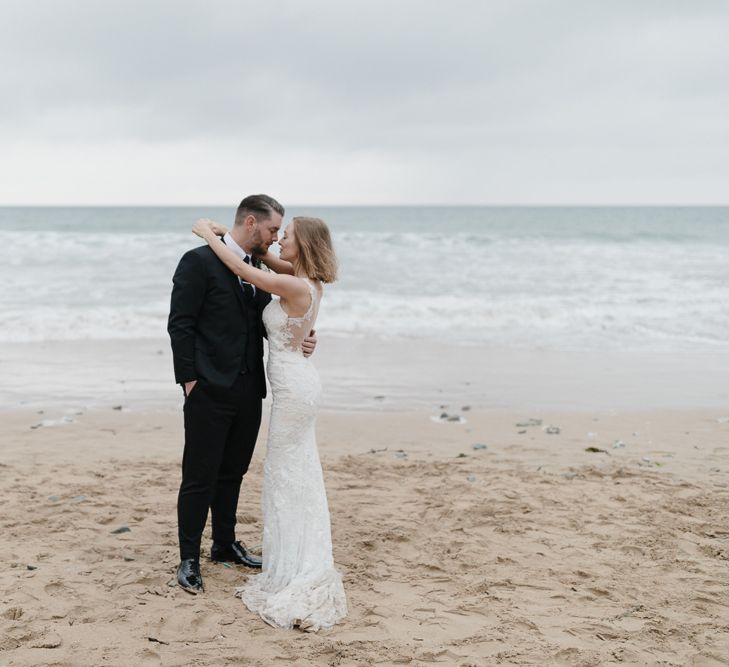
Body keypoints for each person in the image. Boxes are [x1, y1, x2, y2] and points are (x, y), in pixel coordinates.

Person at [191, 215, 347, 631]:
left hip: (294, 389)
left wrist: (208, 234)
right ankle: (292, 554)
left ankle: (296, 564)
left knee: (286, 472)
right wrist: (235, 235)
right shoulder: (303, 277)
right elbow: (256, 255)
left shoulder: (295, 284)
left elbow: (243, 270)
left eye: (288, 237)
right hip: (296, 382)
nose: (280, 242)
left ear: (306, 244)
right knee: (293, 472)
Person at [167, 194, 317, 594]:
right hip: (208, 387)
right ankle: (188, 558)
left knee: (233, 471)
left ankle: (224, 544)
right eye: (271, 230)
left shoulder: (253, 266)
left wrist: (304, 336)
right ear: (251, 223)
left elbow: (280, 317)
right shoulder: (198, 262)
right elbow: (180, 324)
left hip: (251, 388)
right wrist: (188, 379)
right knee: (199, 475)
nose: (273, 238)